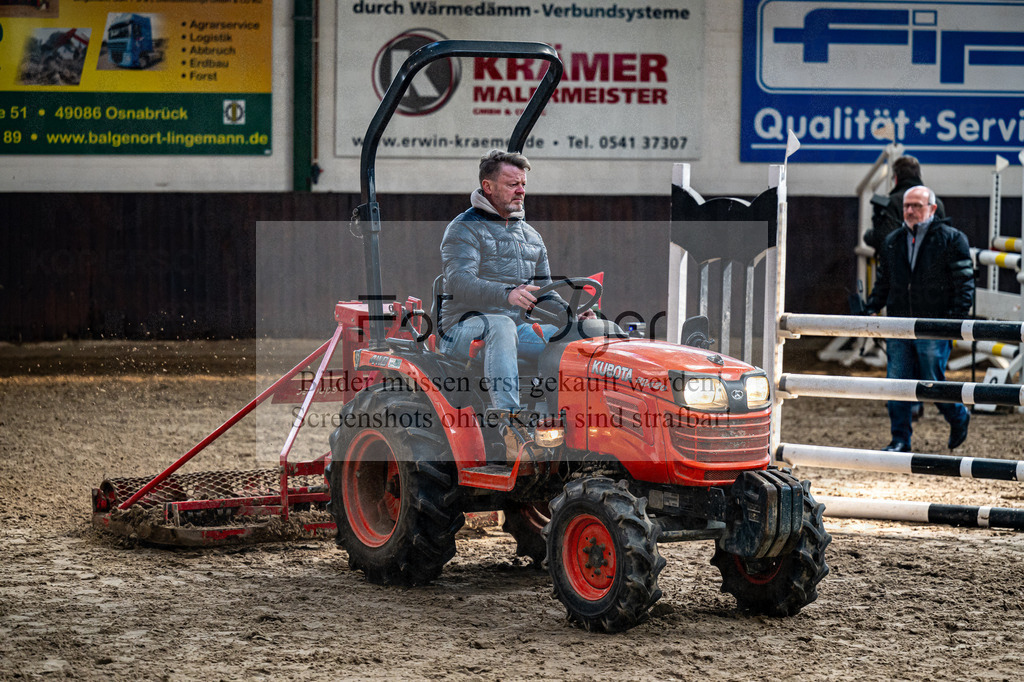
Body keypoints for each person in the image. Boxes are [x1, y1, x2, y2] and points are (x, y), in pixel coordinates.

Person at [438, 150, 593, 458]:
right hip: (462, 327)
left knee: (583, 335)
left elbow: (545, 293)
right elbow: (460, 282)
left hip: (517, 329)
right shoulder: (463, 228)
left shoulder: (532, 237)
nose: (521, 190)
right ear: (488, 187)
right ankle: (512, 425)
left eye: (523, 184)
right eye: (512, 184)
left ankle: (581, 422)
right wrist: (507, 293)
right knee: (500, 324)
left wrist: (573, 316)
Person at [865, 185, 973, 452]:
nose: (910, 210)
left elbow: (964, 284)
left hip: (935, 326)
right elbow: (884, 282)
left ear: (932, 209)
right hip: (899, 326)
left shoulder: (952, 239)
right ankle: (900, 439)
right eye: (906, 206)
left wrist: (954, 321)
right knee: (897, 383)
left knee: (931, 381)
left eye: (917, 206)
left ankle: (958, 416)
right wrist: (871, 308)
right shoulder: (892, 241)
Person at [865, 155, 946, 252]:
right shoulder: (936, 202)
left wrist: (868, 236)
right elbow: (944, 237)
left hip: (900, 265)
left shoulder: (891, 203)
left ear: (896, 178)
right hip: (934, 263)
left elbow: (885, 239)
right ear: (919, 176)